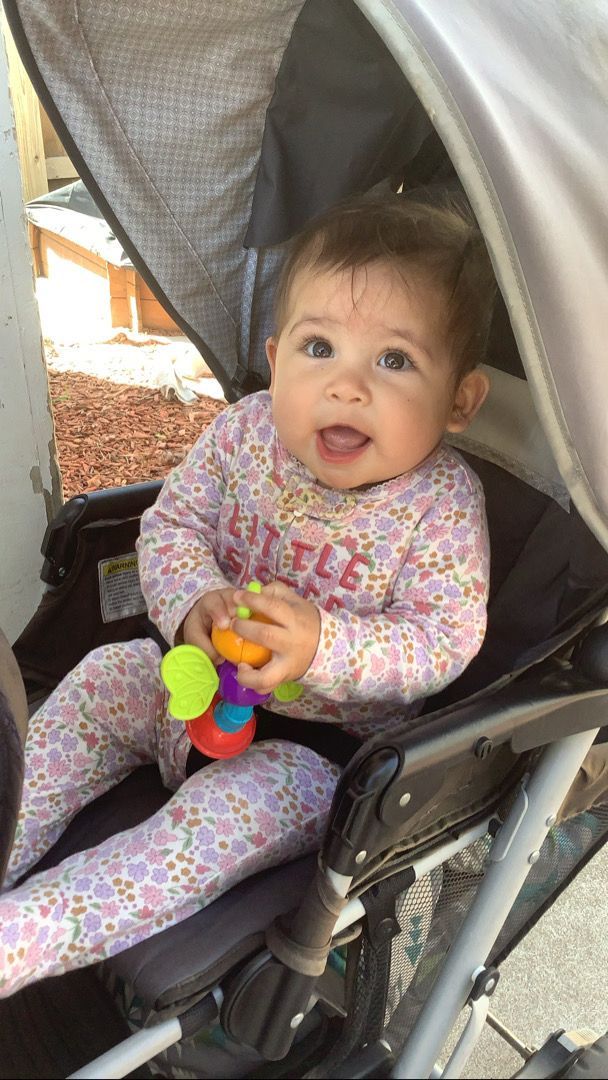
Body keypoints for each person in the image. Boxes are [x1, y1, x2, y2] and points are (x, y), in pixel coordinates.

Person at [0, 192, 495, 998]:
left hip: (303, 753)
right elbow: (171, 528)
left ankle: (25, 936)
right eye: (319, 346)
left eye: (394, 361)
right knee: (95, 685)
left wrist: (324, 646)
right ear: (274, 356)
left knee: (201, 837)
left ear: (461, 400)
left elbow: (442, 639)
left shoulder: (441, 507)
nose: (347, 386)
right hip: (183, 680)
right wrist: (194, 600)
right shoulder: (244, 433)